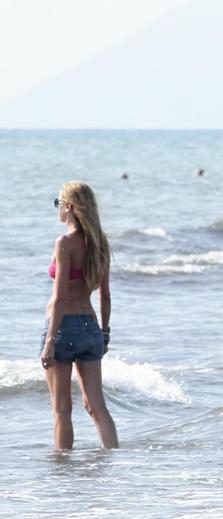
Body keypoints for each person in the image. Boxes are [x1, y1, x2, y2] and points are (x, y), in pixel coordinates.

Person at [41, 181, 118, 450]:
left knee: (62, 409)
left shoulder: (64, 243)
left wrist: (50, 339)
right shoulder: (99, 243)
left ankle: (63, 479)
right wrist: (104, 333)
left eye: (58, 203)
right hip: (91, 327)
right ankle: (116, 463)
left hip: (63, 327)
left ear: (69, 207)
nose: (57, 209)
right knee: (97, 407)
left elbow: (60, 297)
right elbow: (105, 295)